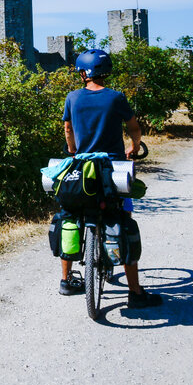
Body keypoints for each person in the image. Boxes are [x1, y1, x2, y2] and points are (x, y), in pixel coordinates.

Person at [58, 48, 163, 308]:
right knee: (123, 219)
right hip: (113, 168)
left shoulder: (72, 97)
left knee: (70, 215)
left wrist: (72, 150)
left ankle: (66, 280)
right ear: (106, 72)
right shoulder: (117, 97)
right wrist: (134, 147)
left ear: (83, 73)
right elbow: (134, 128)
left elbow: (68, 128)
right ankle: (135, 293)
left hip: (82, 168)